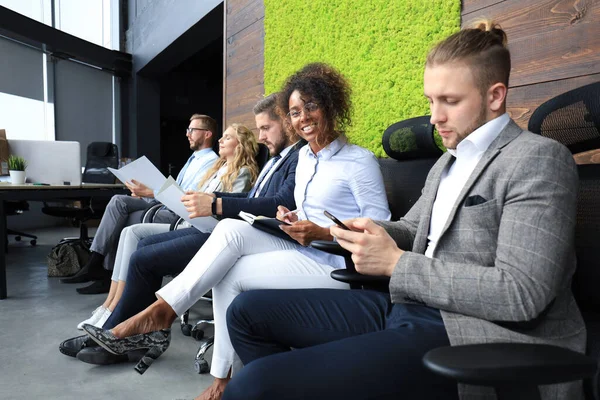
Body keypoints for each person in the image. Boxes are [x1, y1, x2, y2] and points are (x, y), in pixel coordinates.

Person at [222, 21, 586, 400]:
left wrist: (396, 264)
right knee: (246, 312)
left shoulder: (537, 159)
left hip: (475, 333)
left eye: (450, 101)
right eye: (431, 101)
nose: (434, 116)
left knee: (252, 386)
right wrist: (364, 229)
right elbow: (414, 230)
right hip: (408, 306)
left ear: (495, 96)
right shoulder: (448, 163)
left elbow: (522, 293)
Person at [82, 63, 391, 400]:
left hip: (335, 264)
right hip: (301, 248)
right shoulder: (305, 159)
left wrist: (322, 231)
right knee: (230, 235)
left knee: (231, 269)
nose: (303, 118)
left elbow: (382, 230)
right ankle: (210, 365)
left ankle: (169, 323)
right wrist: (293, 215)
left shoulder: (359, 161)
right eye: (295, 111)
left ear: (332, 104)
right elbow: (309, 208)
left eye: (311, 106)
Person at [59, 94, 301, 364]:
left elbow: (281, 202)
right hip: (222, 229)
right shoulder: (276, 159)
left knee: (143, 259)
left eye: (265, 128)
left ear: (287, 124)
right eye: (258, 130)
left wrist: (216, 204)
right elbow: (253, 199)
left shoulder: (296, 158)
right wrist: (212, 200)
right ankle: (127, 334)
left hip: (238, 237)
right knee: (143, 246)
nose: (260, 137)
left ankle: (115, 335)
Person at [74, 123, 259, 331]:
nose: (220, 140)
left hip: (203, 229)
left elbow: (230, 208)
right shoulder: (217, 169)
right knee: (131, 231)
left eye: (227, 137)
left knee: (136, 237)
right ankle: (109, 305)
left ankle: (116, 310)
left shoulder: (242, 172)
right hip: (188, 221)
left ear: (241, 145)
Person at [61, 114, 220, 295]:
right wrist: (145, 193)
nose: (187, 134)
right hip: (164, 203)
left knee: (125, 217)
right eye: (187, 130)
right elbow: (174, 189)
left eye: (192, 130)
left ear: (207, 134)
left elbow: (186, 199)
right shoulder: (192, 160)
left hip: (178, 212)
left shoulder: (210, 163)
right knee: (118, 201)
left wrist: (151, 192)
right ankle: (95, 262)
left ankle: (106, 272)